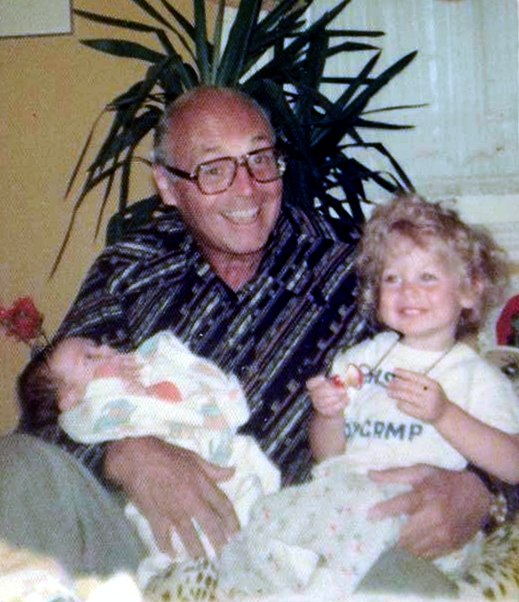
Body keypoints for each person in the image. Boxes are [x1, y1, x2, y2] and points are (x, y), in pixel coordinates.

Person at [1, 86, 510, 589]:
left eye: (260, 159)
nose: (247, 188)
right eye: (214, 168)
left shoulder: (359, 273)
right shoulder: (129, 270)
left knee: (407, 587)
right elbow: (45, 415)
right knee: (16, 469)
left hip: (311, 547)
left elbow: (471, 394)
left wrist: (480, 493)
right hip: (143, 543)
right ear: (168, 185)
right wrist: (125, 453)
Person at [216, 193, 519, 597]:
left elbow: (512, 464)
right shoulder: (361, 359)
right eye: (392, 278)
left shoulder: (474, 377)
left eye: (427, 277)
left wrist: (444, 414)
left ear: (469, 290)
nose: (407, 290)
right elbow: (328, 453)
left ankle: (321, 591)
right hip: (345, 496)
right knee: (266, 512)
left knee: (360, 515)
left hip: (416, 515)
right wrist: (328, 414)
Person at [18, 331, 280, 581]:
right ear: (69, 400)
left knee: (251, 502)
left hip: (214, 462)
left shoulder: (138, 369)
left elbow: (173, 396)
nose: (106, 348)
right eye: (89, 357)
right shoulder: (91, 410)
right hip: (171, 510)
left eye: (97, 345)